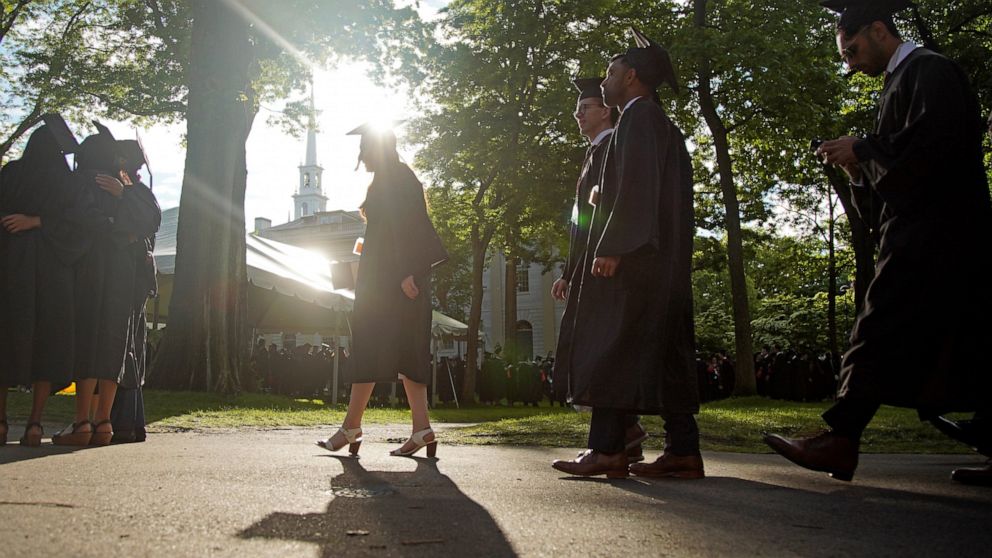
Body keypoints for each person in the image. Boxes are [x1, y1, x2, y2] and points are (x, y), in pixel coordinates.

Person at [764, 0, 992, 484]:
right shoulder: (900, 81)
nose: (848, 63)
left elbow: (935, 145)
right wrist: (859, 167)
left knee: (877, 325)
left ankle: (841, 438)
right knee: (969, 340)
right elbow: (900, 165)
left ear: (879, 30)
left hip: (937, 233)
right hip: (926, 232)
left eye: (850, 49)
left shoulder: (930, 70)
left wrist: (866, 148)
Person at [552, 28, 701, 479]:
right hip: (660, 261)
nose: (605, 81)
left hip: (636, 261)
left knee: (611, 347)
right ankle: (683, 451)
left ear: (633, 77)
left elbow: (637, 189)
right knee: (661, 354)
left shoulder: (638, 120)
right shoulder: (656, 122)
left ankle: (608, 449)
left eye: (613, 72)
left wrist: (613, 245)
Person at [317, 123, 447, 457]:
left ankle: (353, 427)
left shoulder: (400, 180)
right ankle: (420, 430)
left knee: (389, 350)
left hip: (398, 286)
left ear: (376, 149)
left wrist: (412, 272)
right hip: (382, 283)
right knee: (385, 351)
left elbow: (414, 229)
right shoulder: (387, 180)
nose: (361, 158)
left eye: (363, 151)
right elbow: (385, 235)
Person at [552, 77, 649, 459]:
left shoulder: (612, 148)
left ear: (606, 110)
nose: (579, 114)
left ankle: (621, 434)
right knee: (594, 349)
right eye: (577, 108)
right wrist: (569, 271)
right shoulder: (595, 152)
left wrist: (607, 253)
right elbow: (582, 222)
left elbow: (612, 210)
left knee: (600, 350)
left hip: (607, 268)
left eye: (586, 107)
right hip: (591, 265)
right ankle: (627, 433)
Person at [52, 124, 161, 446]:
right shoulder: (131, 190)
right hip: (126, 276)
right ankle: (108, 424)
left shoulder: (104, 185)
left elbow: (80, 221)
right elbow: (145, 225)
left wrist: (113, 222)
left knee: (96, 342)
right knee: (118, 344)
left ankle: (87, 421)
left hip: (100, 271)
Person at [0, 115, 86, 446]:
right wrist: (41, 222)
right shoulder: (68, 182)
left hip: (12, 269)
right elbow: (80, 228)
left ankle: (2, 421)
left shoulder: (11, 174)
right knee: (47, 343)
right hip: (53, 271)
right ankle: (35, 424)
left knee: (7, 339)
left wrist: (26, 221)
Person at [109, 138, 160, 444]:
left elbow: (149, 222)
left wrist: (124, 196)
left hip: (132, 282)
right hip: (126, 279)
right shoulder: (134, 192)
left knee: (128, 346)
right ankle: (126, 422)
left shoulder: (138, 193)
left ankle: (127, 422)